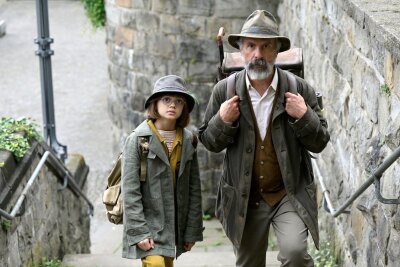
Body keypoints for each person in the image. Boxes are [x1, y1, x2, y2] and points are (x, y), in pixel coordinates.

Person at [199, 10, 330, 267]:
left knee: (295, 255)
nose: (257, 54)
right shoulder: (224, 91)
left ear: (276, 50)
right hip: (244, 197)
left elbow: (320, 141)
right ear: (241, 50)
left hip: (288, 194)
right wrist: (222, 120)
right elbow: (209, 142)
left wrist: (304, 116)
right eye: (250, 46)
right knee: (249, 263)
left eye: (265, 46)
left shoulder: (299, 89)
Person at [121, 75, 203, 267]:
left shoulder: (189, 139)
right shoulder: (138, 139)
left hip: (175, 225)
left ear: (184, 108)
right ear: (155, 104)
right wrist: (139, 231)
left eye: (178, 101)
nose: (172, 105)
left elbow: (194, 189)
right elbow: (130, 190)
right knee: (156, 264)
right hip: (148, 224)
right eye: (166, 99)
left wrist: (191, 231)